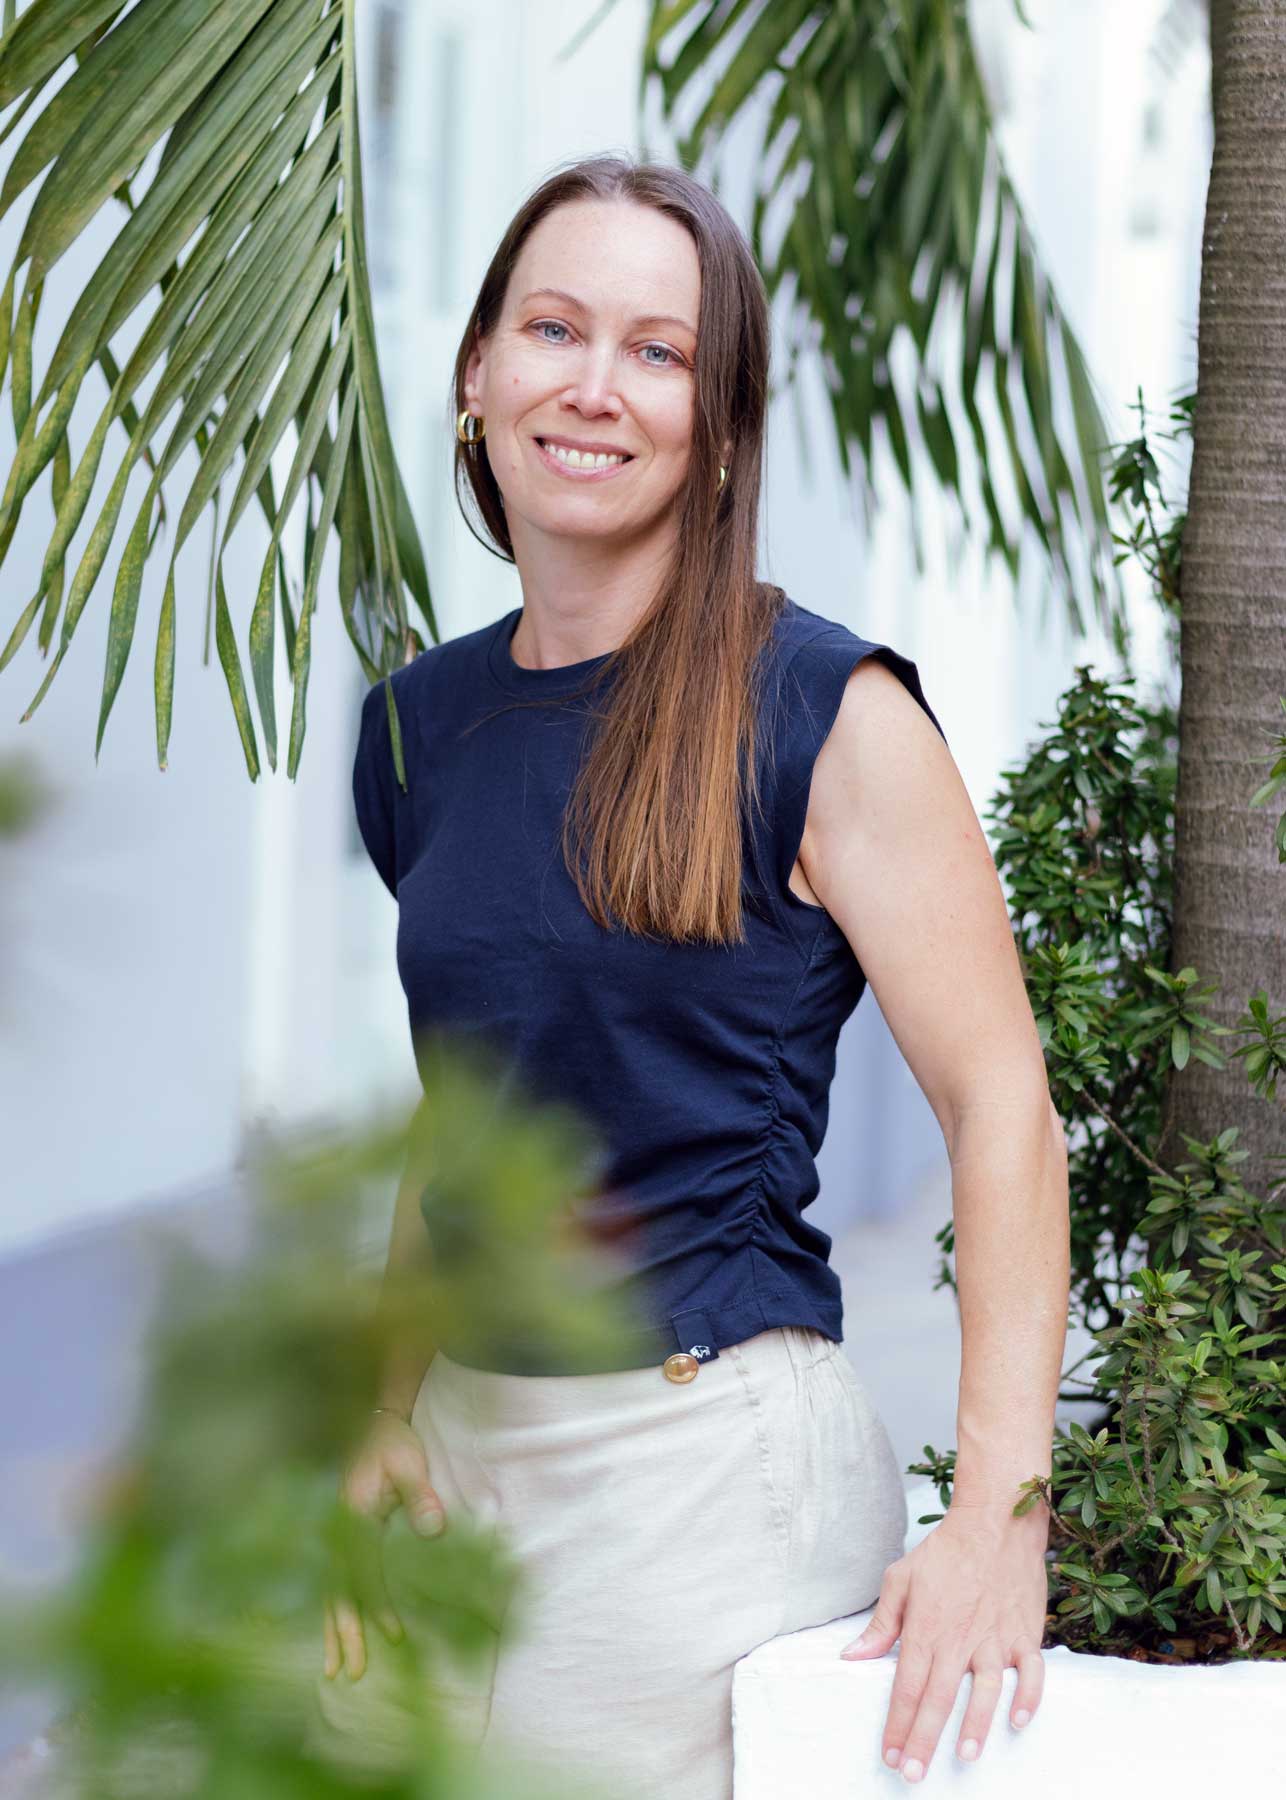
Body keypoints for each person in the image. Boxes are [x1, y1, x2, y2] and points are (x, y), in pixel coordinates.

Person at [316, 154, 1069, 1798]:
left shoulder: (825, 710)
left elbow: (997, 1099)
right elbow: (464, 1109)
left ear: (717, 425)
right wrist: (379, 1416)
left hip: (700, 1465)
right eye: (552, 328)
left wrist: (998, 1518)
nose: (594, 386)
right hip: (455, 1450)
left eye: (657, 352)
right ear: (476, 373)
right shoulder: (412, 732)